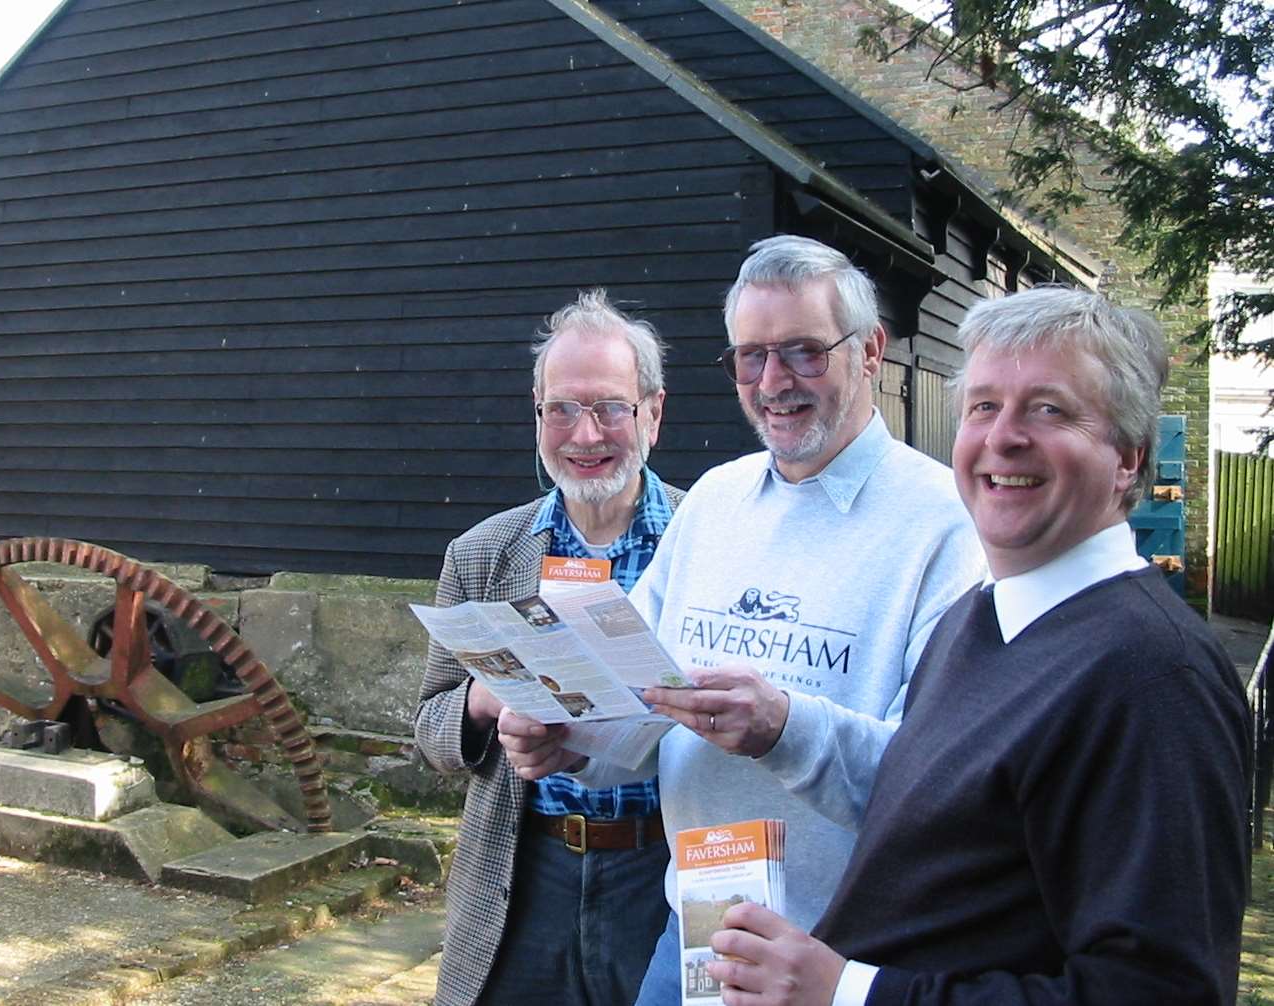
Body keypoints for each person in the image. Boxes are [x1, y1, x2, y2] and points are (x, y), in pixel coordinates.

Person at [702, 286, 1252, 1005]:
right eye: (984, 406)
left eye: (1049, 409)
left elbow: (1157, 992)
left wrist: (852, 993)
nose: (1003, 437)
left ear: (1128, 458)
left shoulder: (1152, 675)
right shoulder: (979, 617)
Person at [497, 235, 985, 1005]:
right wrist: (572, 739)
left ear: (872, 352)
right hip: (697, 935)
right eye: (750, 357)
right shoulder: (716, 503)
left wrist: (784, 728)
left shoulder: (947, 524)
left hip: (848, 957)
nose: (773, 382)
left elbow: (941, 787)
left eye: (802, 353)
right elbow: (639, 705)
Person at [413, 289, 685, 1006]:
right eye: (561, 408)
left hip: (665, 866)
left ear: (653, 413)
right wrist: (484, 696)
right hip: (526, 868)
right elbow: (429, 732)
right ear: (537, 416)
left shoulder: (710, 539)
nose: (584, 433)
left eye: (609, 407)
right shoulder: (484, 555)